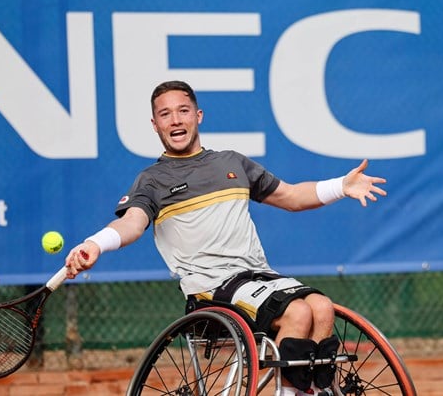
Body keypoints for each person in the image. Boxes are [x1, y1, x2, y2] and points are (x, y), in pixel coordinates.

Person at [64, 80, 387, 395]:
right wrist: (95, 243)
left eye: (183, 111)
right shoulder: (152, 181)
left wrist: (340, 186)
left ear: (198, 116)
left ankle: (310, 389)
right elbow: (132, 223)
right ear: (155, 124)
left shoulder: (232, 162)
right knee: (299, 312)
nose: (175, 120)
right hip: (211, 287)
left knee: (322, 306)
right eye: (165, 114)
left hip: (258, 276)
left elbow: (290, 196)